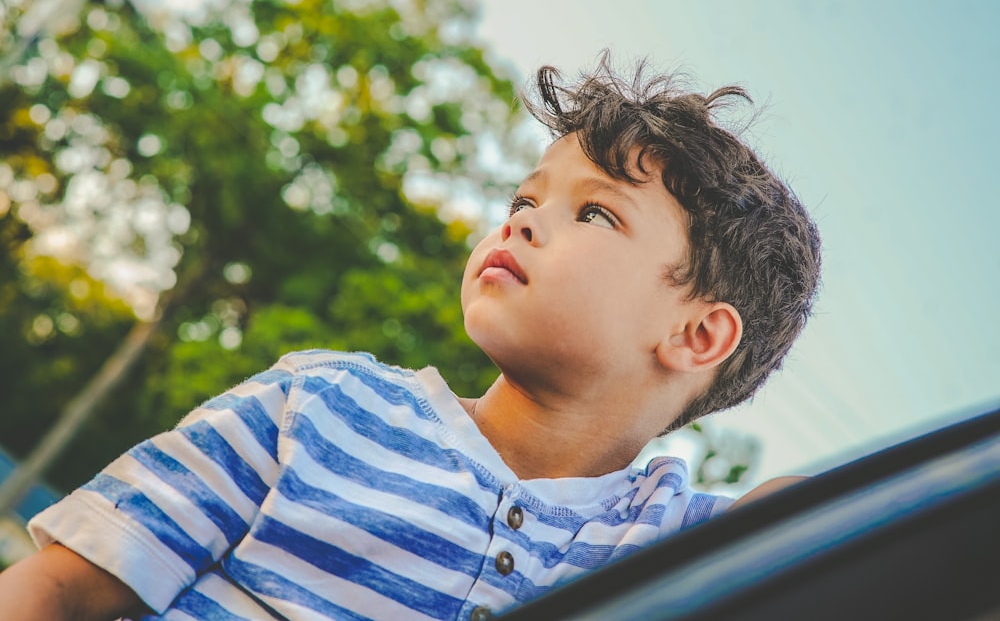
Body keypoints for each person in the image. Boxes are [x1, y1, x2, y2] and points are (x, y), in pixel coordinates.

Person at [0, 53, 821, 620]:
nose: (524, 225)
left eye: (595, 211)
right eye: (523, 202)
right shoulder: (316, 403)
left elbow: (856, 543)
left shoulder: (678, 547)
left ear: (699, 335)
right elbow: (61, 593)